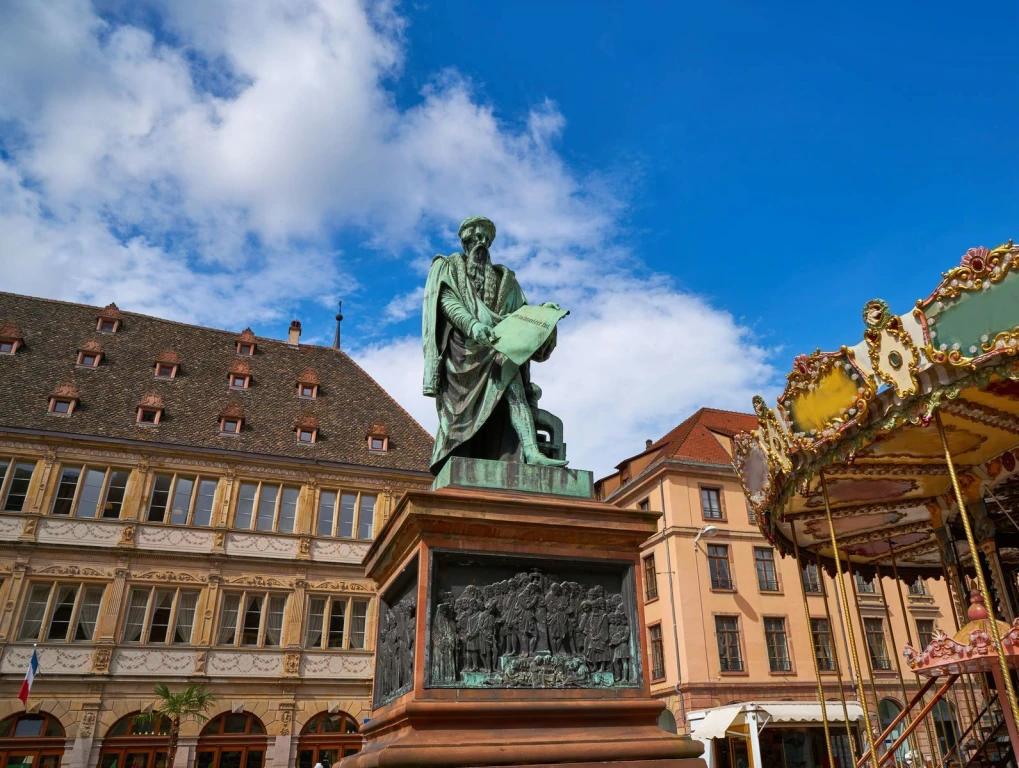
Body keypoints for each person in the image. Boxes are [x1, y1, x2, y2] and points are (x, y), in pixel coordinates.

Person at [422, 216, 568, 472]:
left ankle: (532, 452)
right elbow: (447, 302)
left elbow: (521, 314)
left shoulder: (505, 280)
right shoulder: (448, 266)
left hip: (498, 348)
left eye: (486, 238)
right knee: (472, 414)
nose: (481, 242)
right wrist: (473, 325)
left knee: (516, 391)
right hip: (464, 354)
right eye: (475, 237)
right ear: (465, 240)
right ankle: (463, 455)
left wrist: (542, 313)